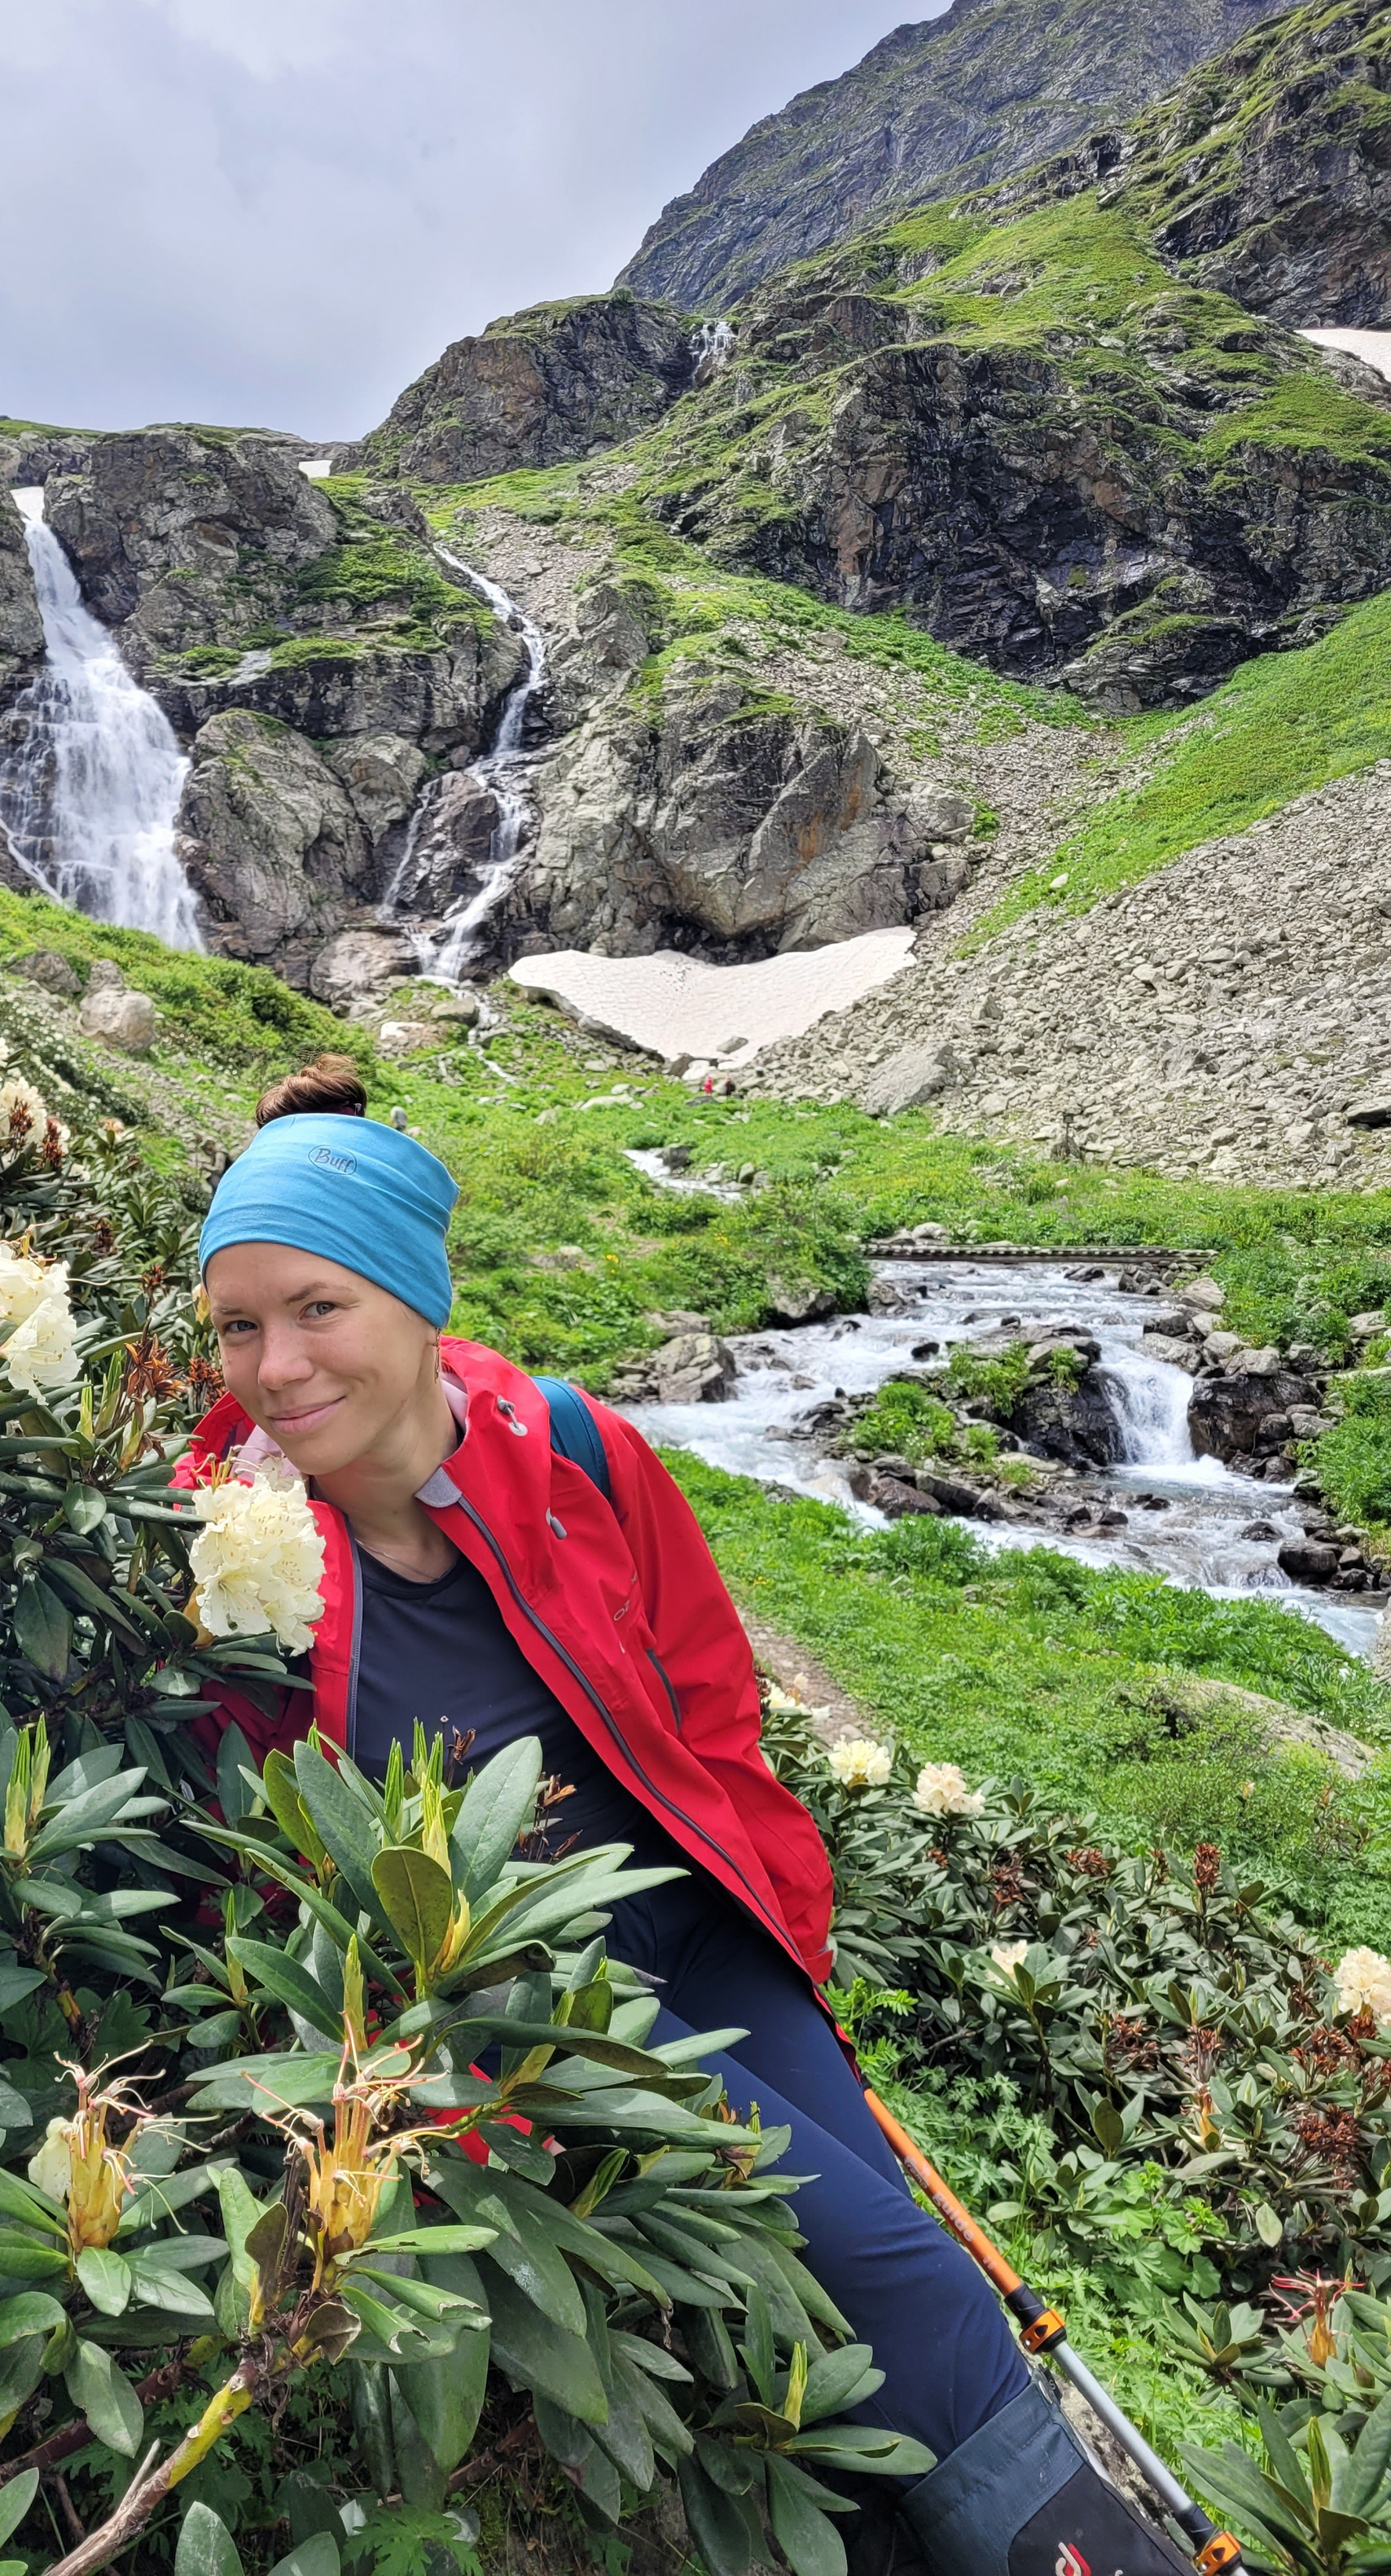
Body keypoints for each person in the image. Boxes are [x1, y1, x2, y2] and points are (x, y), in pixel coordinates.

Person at [185, 1054, 1187, 2576]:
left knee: (880, 2276)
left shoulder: (572, 1446)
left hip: (695, 1933)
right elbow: (231, 1824)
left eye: (319, 1308)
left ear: (417, 1299)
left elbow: (711, 1693)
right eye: (239, 1325)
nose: (276, 1368)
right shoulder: (228, 1524)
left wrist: (776, 1905)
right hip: (517, 1984)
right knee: (898, 2274)